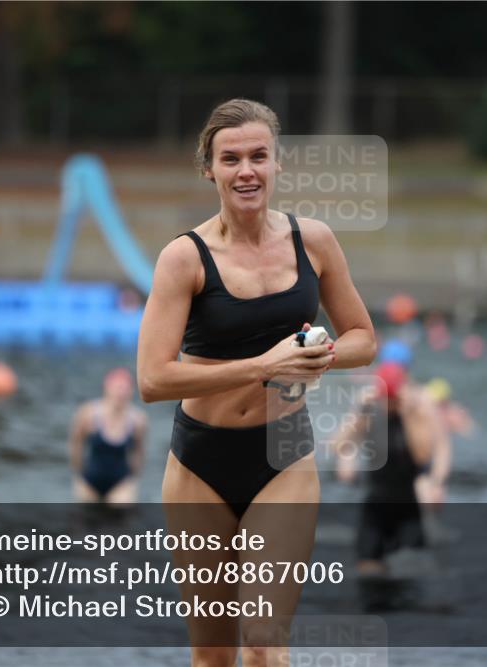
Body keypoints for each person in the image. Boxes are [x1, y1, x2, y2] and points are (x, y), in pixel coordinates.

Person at [136, 98, 376, 666]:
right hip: (200, 462)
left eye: (259, 156)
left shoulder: (313, 241)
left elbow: (364, 339)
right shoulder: (184, 258)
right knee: (213, 655)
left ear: (277, 164)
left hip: (285, 452)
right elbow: (151, 378)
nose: (247, 171)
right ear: (209, 169)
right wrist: (264, 366)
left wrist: (317, 357)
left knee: (265, 642)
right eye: (231, 159)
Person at [335, 362, 441, 573]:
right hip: (376, 503)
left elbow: (422, 456)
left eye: (393, 399)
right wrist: (359, 411)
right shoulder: (370, 413)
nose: (390, 404)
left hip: (407, 504)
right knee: (368, 568)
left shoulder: (414, 415)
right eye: (386, 399)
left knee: (410, 566)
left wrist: (409, 414)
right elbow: (339, 445)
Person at [68, 368, 147, 503]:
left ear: (131, 392)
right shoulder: (87, 413)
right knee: (84, 513)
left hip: (120, 482)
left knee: (124, 509)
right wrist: (78, 474)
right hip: (90, 480)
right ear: (107, 388)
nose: (121, 393)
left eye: (125, 389)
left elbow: (139, 452)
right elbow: (76, 444)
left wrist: (133, 479)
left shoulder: (138, 420)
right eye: (118, 388)